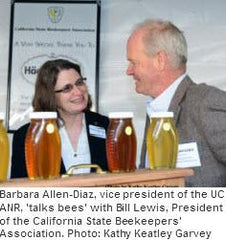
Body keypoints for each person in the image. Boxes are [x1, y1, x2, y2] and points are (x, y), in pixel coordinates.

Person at [126, 19, 226, 187]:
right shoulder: (157, 110)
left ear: (160, 60)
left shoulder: (206, 104)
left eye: (134, 62)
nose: (128, 71)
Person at [11, 59, 109, 178]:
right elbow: (19, 188)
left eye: (79, 83)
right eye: (67, 88)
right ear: (50, 96)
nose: (78, 92)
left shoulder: (106, 125)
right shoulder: (27, 136)